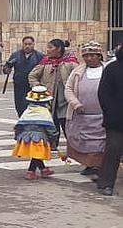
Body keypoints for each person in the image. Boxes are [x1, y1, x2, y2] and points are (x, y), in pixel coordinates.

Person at [63, 41, 106, 177]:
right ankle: (89, 164)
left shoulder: (107, 70)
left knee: (100, 143)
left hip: (103, 115)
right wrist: (76, 104)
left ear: (99, 56)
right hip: (82, 115)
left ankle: (98, 165)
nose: (89, 58)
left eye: (92, 55)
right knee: (84, 142)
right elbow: (68, 89)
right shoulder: (77, 72)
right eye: (86, 56)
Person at [28, 39, 78, 147]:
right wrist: (38, 88)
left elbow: (78, 78)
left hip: (65, 101)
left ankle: (73, 146)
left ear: (59, 48)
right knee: (51, 124)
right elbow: (32, 76)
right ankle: (52, 145)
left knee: (66, 124)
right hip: (50, 99)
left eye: (50, 47)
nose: (48, 50)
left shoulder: (70, 63)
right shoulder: (45, 62)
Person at [12, 86, 60, 180]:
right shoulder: (45, 112)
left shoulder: (28, 110)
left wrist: (17, 135)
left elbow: (19, 125)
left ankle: (43, 169)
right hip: (39, 136)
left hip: (25, 136)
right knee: (36, 154)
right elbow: (50, 128)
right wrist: (53, 139)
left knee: (36, 153)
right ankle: (31, 171)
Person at [96, 43, 123, 196]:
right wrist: (110, 113)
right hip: (116, 120)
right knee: (113, 150)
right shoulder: (112, 68)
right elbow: (103, 93)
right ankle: (105, 183)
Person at [4, 36, 45, 117]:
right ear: (22, 44)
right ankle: (22, 120)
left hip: (33, 86)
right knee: (19, 105)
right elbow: (6, 67)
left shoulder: (40, 56)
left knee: (32, 105)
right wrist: (6, 69)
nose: (27, 46)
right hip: (19, 85)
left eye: (29, 44)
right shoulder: (15, 55)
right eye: (25, 44)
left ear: (33, 44)